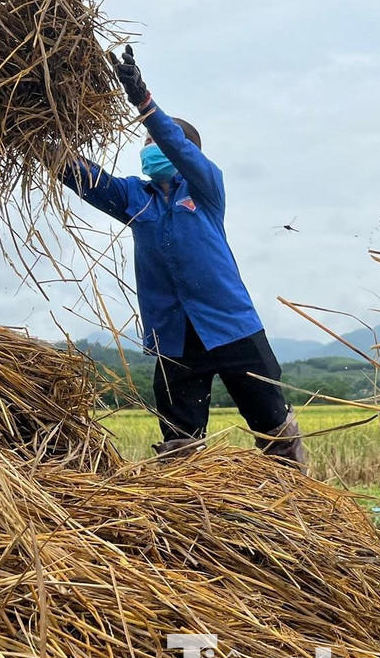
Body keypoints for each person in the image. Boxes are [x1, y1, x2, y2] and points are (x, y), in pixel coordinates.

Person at [63, 47, 306, 471]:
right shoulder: (135, 197)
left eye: (156, 140)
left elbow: (179, 148)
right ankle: (184, 505)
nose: (149, 146)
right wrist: (44, 142)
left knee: (274, 428)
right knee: (179, 444)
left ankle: (298, 494)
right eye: (146, 142)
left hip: (231, 325)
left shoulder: (205, 187)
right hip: (174, 336)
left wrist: (144, 104)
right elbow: (88, 179)